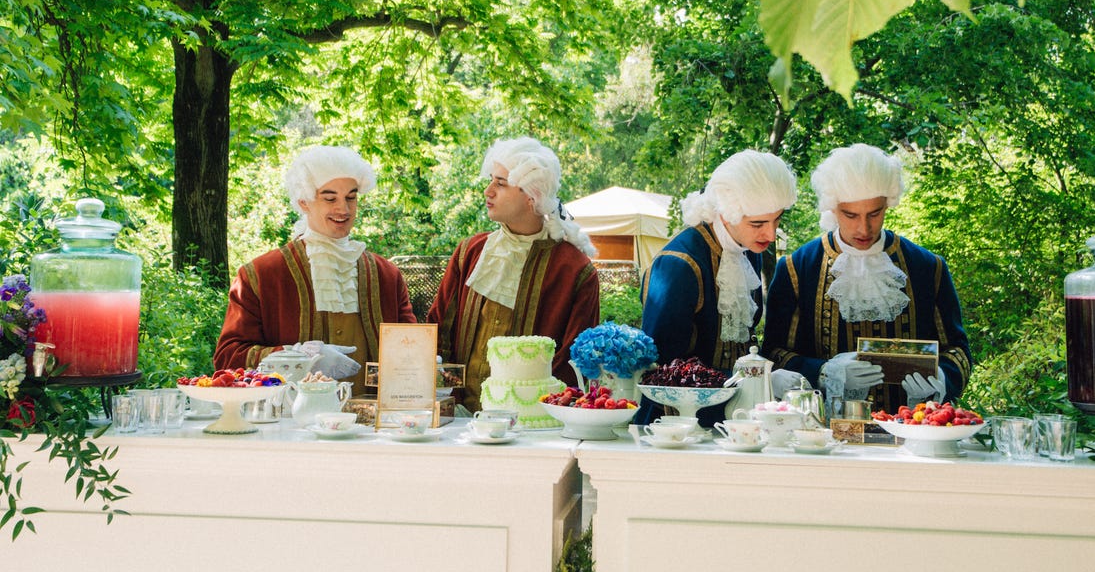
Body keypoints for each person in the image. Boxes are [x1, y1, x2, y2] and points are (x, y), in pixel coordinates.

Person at [763, 142, 971, 410]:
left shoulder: (927, 267)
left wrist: (941, 377)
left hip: (911, 431)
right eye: (851, 215)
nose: (864, 227)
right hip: (820, 436)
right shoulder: (796, 268)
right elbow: (774, 354)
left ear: (888, 204)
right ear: (833, 208)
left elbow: (958, 352)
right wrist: (825, 373)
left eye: (875, 213)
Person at [214, 145, 416, 392]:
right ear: (304, 202)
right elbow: (228, 357)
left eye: (351, 197)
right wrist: (300, 358)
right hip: (292, 423)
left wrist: (423, 363)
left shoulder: (387, 276)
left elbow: (412, 350)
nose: (343, 209)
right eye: (330, 198)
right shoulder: (261, 275)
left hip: (373, 427)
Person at [428, 137, 600, 411]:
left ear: (532, 195)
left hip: (533, 428)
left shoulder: (573, 270)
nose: (488, 191)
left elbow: (573, 364)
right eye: (490, 181)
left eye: (500, 183)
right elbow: (437, 330)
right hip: (457, 423)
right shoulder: (470, 252)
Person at [637, 150, 798, 417]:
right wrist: (754, 380)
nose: (770, 233)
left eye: (776, 219)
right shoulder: (679, 265)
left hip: (736, 421)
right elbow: (659, 372)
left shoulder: (747, 251)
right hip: (675, 427)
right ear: (726, 214)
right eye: (758, 223)